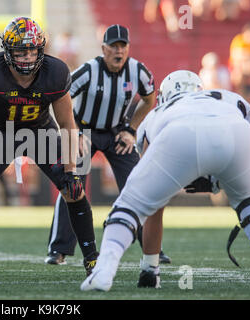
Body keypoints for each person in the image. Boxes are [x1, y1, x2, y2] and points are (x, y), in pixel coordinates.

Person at [81, 70, 250, 291]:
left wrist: (150, 268)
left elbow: (154, 205)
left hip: (178, 132)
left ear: (164, 96)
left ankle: (104, 271)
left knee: (131, 204)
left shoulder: (157, 113)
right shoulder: (227, 98)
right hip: (236, 132)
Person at [0, 16, 98, 277]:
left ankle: (92, 259)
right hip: (2, 133)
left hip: (41, 131)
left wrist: (71, 170)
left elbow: (67, 122)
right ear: (7, 51)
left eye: (32, 50)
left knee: (73, 189)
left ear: (41, 49)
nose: (28, 57)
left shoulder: (56, 72)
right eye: (21, 50)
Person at [45, 25, 171, 274]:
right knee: (71, 183)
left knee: (142, 184)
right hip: (85, 131)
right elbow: (62, 96)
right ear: (103, 49)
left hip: (117, 132)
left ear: (128, 48)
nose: (118, 50)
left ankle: (152, 247)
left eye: (123, 46)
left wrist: (132, 129)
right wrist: (75, 131)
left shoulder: (138, 71)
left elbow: (150, 98)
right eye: (113, 46)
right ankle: (59, 249)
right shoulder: (89, 70)